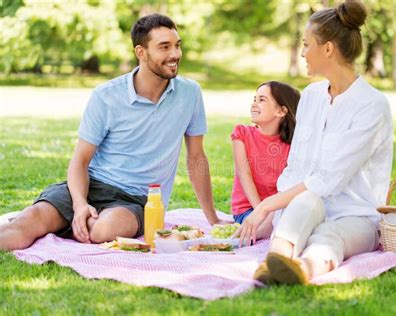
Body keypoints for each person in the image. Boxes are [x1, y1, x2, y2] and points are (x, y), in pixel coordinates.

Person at [0, 13, 229, 251]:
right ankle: (66, 218)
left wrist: (212, 217)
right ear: (141, 52)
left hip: (137, 200)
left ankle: (67, 223)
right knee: (30, 220)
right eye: (164, 47)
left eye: (177, 45)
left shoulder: (190, 94)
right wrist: (79, 205)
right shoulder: (106, 96)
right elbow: (80, 160)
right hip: (92, 186)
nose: (175, 54)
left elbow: (196, 158)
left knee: (103, 231)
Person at [238, 1, 393, 284]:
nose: (303, 52)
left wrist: (266, 206)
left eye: (307, 44)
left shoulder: (372, 105)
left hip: (354, 217)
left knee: (328, 235)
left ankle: (302, 270)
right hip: (306, 209)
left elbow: (329, 179)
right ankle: (275, 260)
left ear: (328, 49)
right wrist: (278, 213)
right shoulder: (311, 96)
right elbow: (297, 167)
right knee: (304, 200)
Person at [230, 81, 300, 239]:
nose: (254, 104)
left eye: (261, 100)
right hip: (249, 210)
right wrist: (260, 211)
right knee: (275, 223)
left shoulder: (293, 145)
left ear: (281, 111)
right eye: (254, 99)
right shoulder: (242, 134)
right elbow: (244, 175)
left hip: (277, 208)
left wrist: (271, 211)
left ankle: (268, 231)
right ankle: (252, 234)